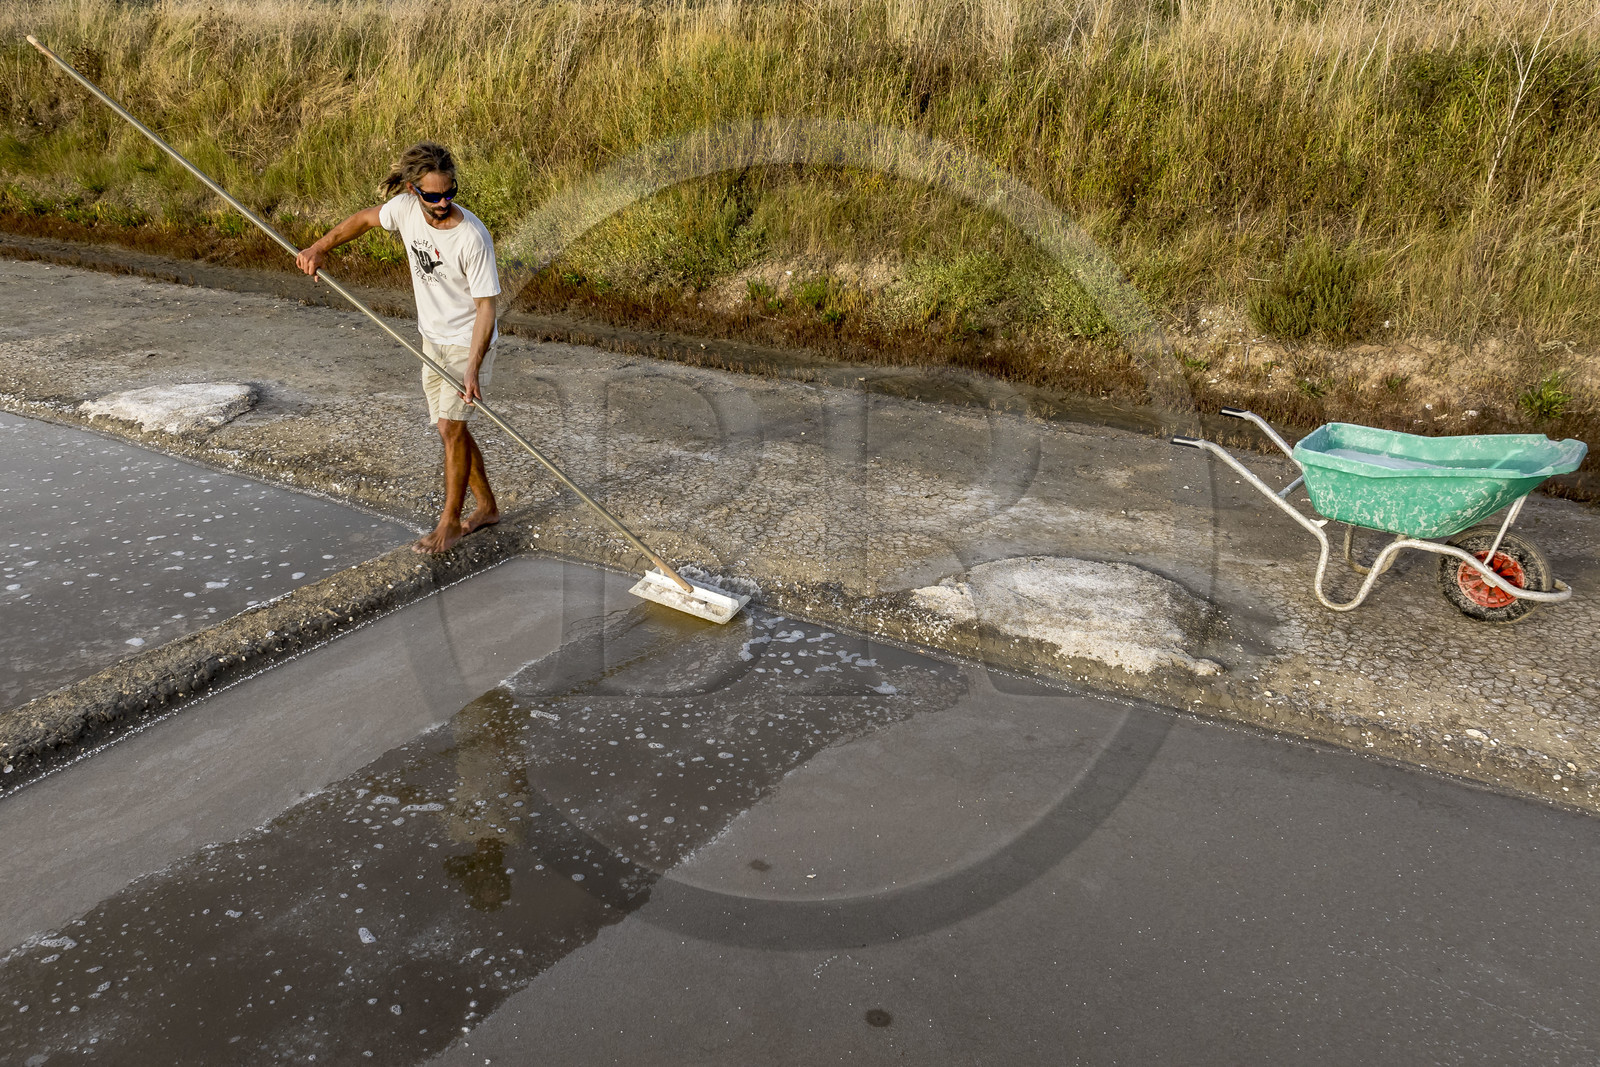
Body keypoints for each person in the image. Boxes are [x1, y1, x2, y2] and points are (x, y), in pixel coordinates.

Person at [296, 141, 500, 554]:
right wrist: (319, 248)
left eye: (449, 193)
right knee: (447, 427)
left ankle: (451, 522)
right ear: (413, 190)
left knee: (454, 429)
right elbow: (364, 220)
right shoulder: (404, 210)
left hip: (468, 341)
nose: (442, 203)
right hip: (432, 338)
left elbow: (486, 308)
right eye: (432, 195)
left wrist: (474, 368)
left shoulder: (473, 237)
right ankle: (488, 507)